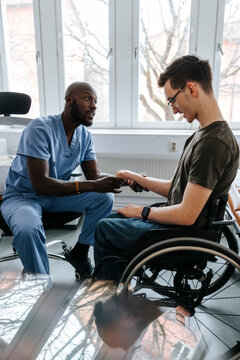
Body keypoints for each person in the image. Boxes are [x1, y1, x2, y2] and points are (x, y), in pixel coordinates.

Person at [94, 55, 239, 281]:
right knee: (113, 217)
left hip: (182, 236)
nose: (174, 110)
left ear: (190, 88)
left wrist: (143, 212)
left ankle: (107, 298)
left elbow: (187, 215)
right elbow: (174, 188)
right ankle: (117, 285)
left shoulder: (214, 144)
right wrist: (136, 178)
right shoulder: (201, 135)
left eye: (172, 100)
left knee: (104, 228)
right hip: (177, 228)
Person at [1, 82, 123, 276]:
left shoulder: (84, 136)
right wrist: (92, 185)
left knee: (104, 197)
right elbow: (41, 185)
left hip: (56, 195)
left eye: (95, 101)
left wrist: (124, 178)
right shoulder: (40, 128)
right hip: (23, 196)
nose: (93, 105)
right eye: (87, 98)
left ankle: (80, 253)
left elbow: (95, 176)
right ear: (69, 100)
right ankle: (40, 286)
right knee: (28, 230)